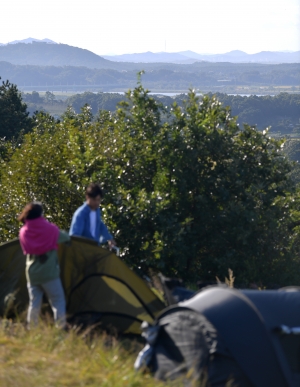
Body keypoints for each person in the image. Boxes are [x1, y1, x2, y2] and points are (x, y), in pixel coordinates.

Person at [18, 202, 70, 328]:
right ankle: (60, 328)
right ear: (40, 214)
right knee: (58, 301)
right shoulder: (50, 229)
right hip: (49, 273)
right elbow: (66, 237)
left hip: (32, 273)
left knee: (34, 303)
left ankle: (32, 329)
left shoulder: (24, 232)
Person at [69, 183, 116, 248]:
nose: (97, 202)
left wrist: (109, 238)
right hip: (82, 251)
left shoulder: (97, 211)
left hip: (94, 249)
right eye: (94, 200)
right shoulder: (80, 214)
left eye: (98, 200)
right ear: (87, 197)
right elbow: (75, 236)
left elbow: (100, 224)